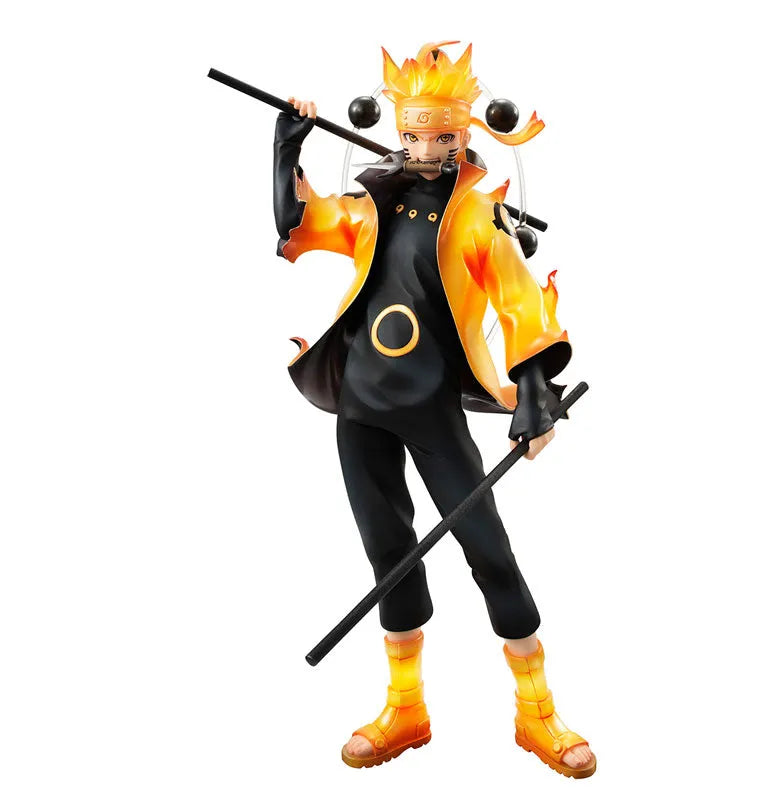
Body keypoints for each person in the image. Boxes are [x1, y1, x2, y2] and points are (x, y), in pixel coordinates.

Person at [271, 41, 595, 778]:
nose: (427, 150)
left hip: (432, 406)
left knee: (487, 549)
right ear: (398, 130)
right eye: (415, 136)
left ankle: (537, 709)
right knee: (389, 555)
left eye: (443, 137)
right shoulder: (370, 205)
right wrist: (285, 146)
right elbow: (295, 223)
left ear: (464, 133)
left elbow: (519, 302)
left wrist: (534, 393)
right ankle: (405, 707)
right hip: (361, 405)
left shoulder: (477, 215)